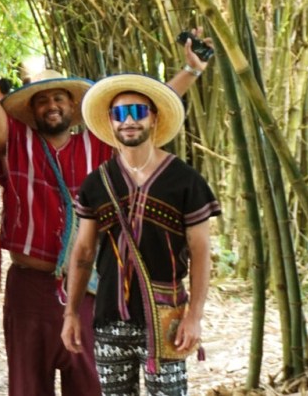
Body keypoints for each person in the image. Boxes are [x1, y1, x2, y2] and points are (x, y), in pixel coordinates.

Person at [0, 0, 210, 395]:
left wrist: (189, 72)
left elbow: (143, 109)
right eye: (42, 99)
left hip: (92, 284)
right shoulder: (14, 142)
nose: (52, 105)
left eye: (60, 98)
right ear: (32, 109)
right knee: (28, 386)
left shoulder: (98, 146)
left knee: (89, 384)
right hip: (29, 282)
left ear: (74, 108)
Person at [61, 74, 222, 395]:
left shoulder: (185, 181)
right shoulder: (97, 183)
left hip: (166, 318)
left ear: (155, 117)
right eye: (121, 113)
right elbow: (82, 253)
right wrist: (71, 312)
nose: (130, 121)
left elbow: (201, 253)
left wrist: (195, 317)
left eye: (139, 111)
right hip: (109, 317)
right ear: (111, 121)